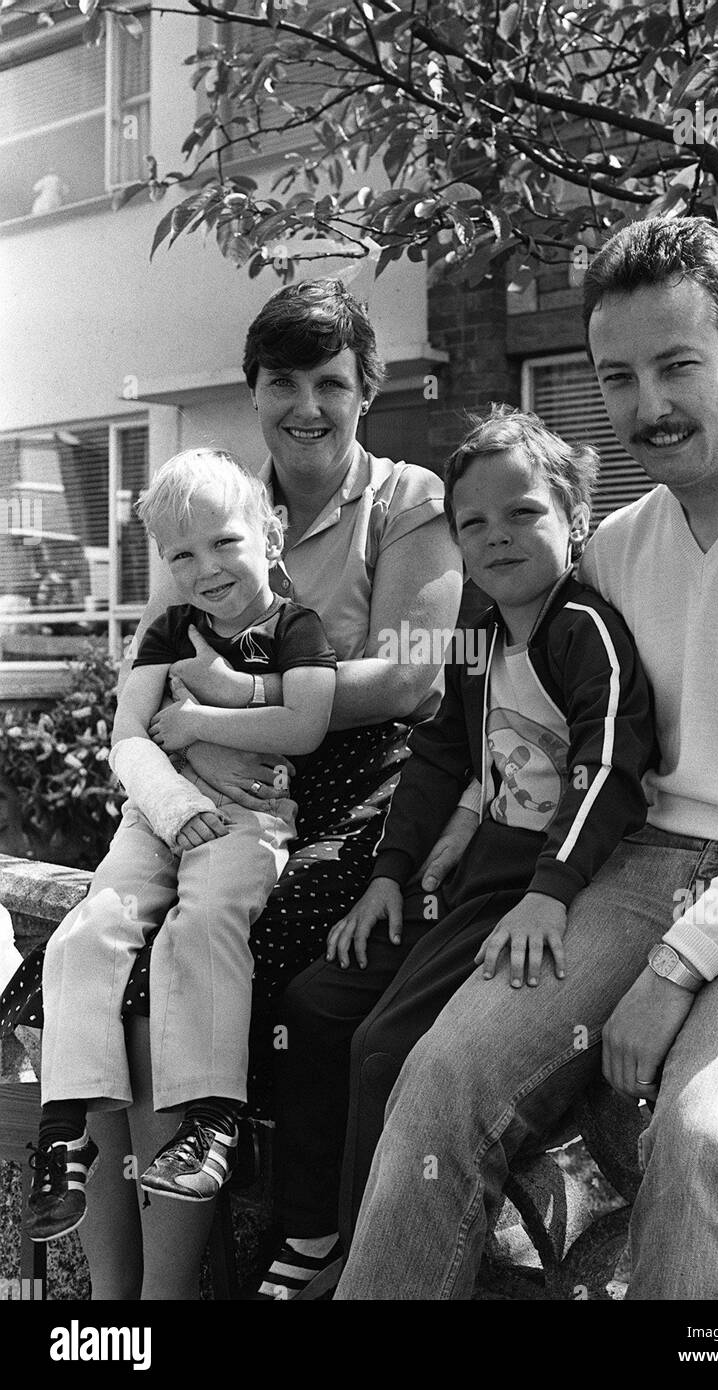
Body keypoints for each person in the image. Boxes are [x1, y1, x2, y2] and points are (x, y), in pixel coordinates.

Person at [334, 216, 718, 1301]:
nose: (645, 406)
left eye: (675, 366)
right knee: (438, 1078)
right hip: (638, 863)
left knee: (704, 1131)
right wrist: (431, 846)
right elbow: (501, 695)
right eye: (616, 377)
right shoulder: (617, 548)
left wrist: (676, 969)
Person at [0, 279, 462, 1299]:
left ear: (364, 391)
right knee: (105, 981)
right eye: (281, 382)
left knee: (178, 983)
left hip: (349, 792)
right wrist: (188, 733)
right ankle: (110, 1305)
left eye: (330, 383)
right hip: (209, 786)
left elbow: (414, 675)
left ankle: (168, 1300)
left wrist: (237, 694)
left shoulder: (407, 500)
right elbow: (155, 671)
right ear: (251, 391)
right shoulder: (212, 505)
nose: (306, 405)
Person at [254, 405, 655, 1299]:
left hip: (544, 885)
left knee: (388, 1046)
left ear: (575, 520)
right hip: (472, 879)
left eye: (523, 513)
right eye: (473, 522)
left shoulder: (579, 629)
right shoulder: (478, 629)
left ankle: (371, 1261)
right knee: (317, 999)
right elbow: (440, 752)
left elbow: (611, 764)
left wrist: (551, 891)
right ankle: (310, 1232)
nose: (496, 536)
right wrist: (389, 877)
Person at [25, 449, 337, 1239]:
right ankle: (64, 1132)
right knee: (89, 926)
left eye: (224, 542)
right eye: (181, 554)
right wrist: (168, 804)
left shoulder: (296, 628)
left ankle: (211, 1123)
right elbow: (128, 737)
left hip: (245, 817)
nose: (205, 568)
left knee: (205, 924)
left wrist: (199, 721)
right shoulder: (169, 631)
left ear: (268, 535)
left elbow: (304, 723)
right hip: (155, 817)